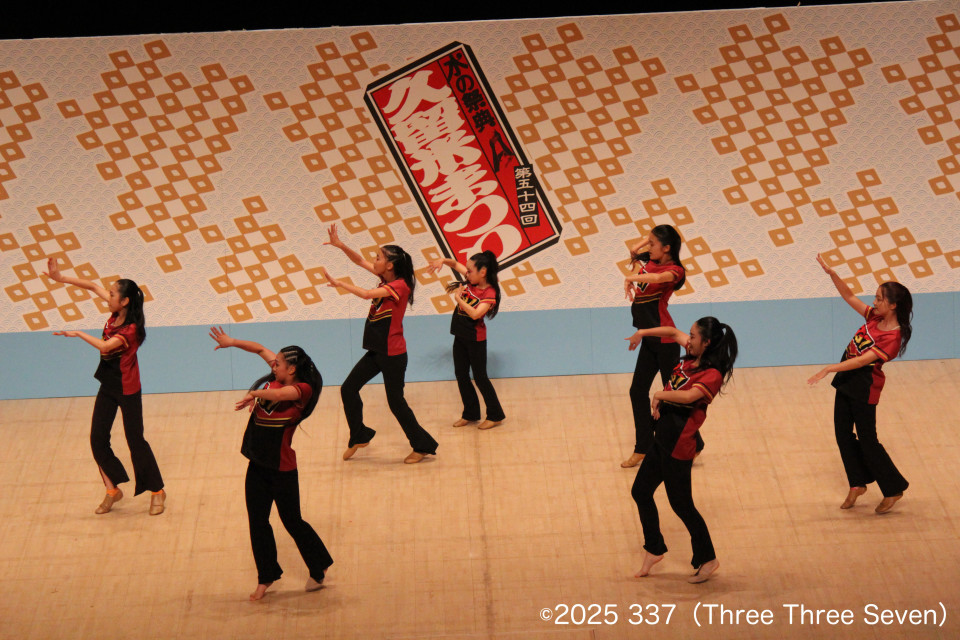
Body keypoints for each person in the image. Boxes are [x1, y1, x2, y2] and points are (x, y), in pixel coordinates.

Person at [209, 327, 333, 601]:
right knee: (257, 521)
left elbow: (278, 396)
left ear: (292, 369)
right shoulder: (278, 377)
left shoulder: (302, 390)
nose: (273, 365)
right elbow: (258, 348)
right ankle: (266, 577)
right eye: (274, 362)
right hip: (258, 464)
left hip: (282, 469)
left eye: (278, 364)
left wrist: (253, 394)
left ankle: (319, 564)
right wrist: (232, 342)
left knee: (292, 521)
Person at [44, 258, 166, 515]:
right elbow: (91, 286)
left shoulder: (130, 330)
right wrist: (60, 278)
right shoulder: (116, 314)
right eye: (109, 293)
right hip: (108, 385)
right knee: (98, 439)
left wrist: (79, 333)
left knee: (135, 441)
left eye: (112, 294)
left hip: (128, 388)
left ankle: (157, 490)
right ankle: (112, 489)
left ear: (125, 301)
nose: (107, 297)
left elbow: (105, 347)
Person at [626, 317, 737, 584]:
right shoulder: (691, 355)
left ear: (706, 342)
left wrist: (659, 394)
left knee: (682, 505)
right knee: (640, 491)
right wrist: (642, 332)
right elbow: (671, 331)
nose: (688, 339)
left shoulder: (712, 374)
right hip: (662, 439)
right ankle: (654, 549)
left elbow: (688, 396)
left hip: (679, 446)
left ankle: (708, 559)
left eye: (693, 336)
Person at [322, 223, 438, 464]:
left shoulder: (399, 286)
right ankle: (359, 434)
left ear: (390, 265)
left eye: (378, 258)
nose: (373, 261)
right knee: (348, 389)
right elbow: (358, 261)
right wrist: (341, 245)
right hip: (377, 352)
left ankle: (422, 445)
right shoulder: (386, 279)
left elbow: (366, 294)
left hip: (393, 355)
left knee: (396, 403)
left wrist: (341, 284)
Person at [808, 254, 911, 514]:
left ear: (893, 305)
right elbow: (849, 296)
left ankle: (893, 488)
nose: (874, 302)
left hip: (865, 387)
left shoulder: (893, 337)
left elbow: (862, 361)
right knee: (842, 434)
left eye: (879, 299)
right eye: (875, 297)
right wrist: (833, 274)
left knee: (868, 440)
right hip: (847, 381)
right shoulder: (874, 317)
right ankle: (857, 483)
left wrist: (829, 368)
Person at [622, 225, 702, 468]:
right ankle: (643, 447)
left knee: (673, 398)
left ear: (667, 248)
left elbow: (657, 279)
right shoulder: (650, 259)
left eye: (653, 244)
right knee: (637, 392)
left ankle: (695, 443)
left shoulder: (675, 271)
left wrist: (631, 278)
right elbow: (633, 250)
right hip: (649, 339)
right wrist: (646, 241)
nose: (648, 247)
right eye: (648, 243)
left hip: (666, 342)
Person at [429, 251, 505, 430]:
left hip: (475, 340)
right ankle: (470, 413)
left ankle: (495, 415)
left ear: (483, 272)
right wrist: (443, 260)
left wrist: (458, 299)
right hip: (460, 336)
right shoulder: (472, 279)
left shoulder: (489, 292)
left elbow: (476, 314)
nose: (466, 274)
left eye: (470, 271)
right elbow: (456, 264)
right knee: (461, 375)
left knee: (480, 378)